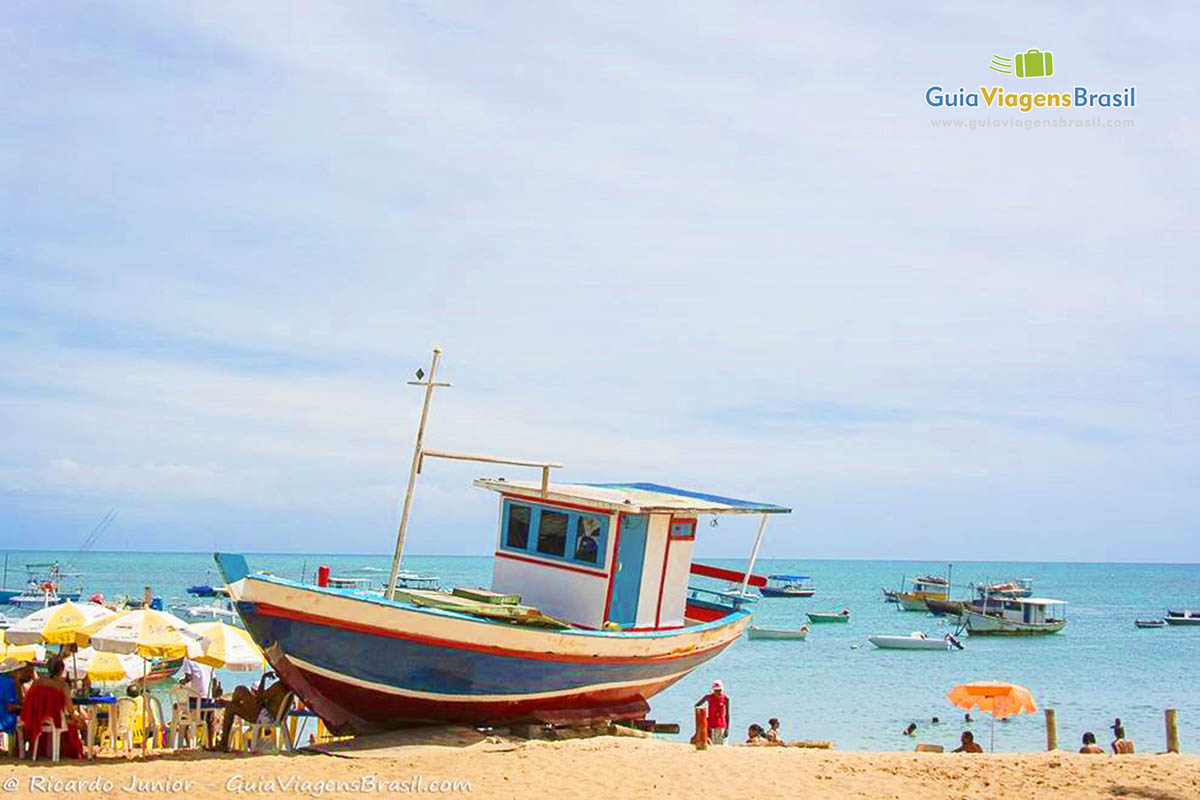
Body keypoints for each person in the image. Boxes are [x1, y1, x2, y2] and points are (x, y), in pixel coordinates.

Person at [694, 680, 730, 745]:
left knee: (721, 745)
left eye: (719, 690)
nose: (718, 692)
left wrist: (727, 729)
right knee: (712, 744)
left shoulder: (725, 698)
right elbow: (697, 705)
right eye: (716, 690)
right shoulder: (709, 697)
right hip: (711, 725)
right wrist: (703, 718)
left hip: (721, 725)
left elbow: (727, 715)